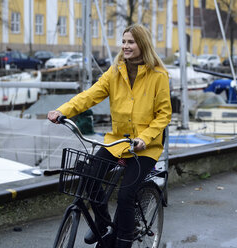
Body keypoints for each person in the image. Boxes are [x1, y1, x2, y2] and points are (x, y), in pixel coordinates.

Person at [48, 24, 172, 248]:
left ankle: (124, 240)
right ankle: (103, 223)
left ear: (142, 44)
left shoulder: (158, 75)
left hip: (146, 147)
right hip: (118, 142)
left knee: (126, 195)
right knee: (89, 175)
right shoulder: (115, 71)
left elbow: (164, 115)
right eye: (123, 41)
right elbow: (89, 96)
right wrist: (62, 111)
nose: (125, 46)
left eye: (131, 42)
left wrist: (145, 138)